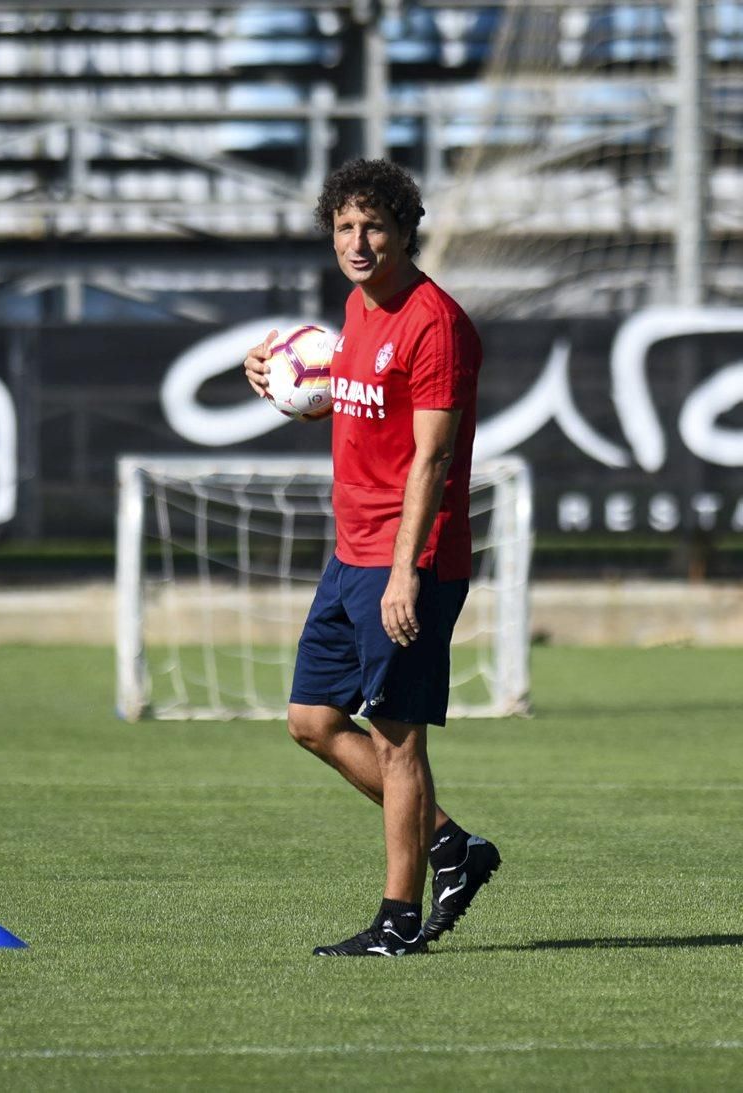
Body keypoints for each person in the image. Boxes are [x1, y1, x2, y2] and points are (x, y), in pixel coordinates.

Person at [244, 158, 500, 957]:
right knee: (312, 721)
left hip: (407, 561)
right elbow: (358, 413)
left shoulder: (436, 323)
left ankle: (397, 921)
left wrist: (403, 573)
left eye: (374, 227)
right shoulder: (357, 310)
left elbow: (428, 459)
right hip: (349, 551)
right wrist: (281, 385)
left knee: (398, 743)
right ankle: (453, 847)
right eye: (345, 227)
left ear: (403, 231)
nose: (358, 241)